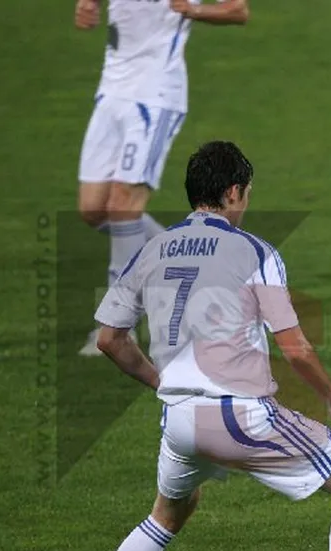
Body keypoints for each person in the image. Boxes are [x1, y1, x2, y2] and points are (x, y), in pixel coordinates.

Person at [67, 141, 331, 551]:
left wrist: (164, 384)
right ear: (234, 192)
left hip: (179, 420)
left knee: (168, 513)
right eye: (247, 193)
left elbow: (110, 339)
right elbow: (294, 346)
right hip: (238, 414)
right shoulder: (255, 252)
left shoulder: (153, 248)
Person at [74, 0, 250, 356]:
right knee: (93, 210)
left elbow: (237, 11)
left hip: (155, 97)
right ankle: (198, 262)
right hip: (111, 92)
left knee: (124, 206)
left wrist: (193, 11)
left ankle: (118, 325)